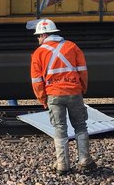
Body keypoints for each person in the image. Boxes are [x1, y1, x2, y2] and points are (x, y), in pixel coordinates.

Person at [30, 19, 97, 175]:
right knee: (80, 126)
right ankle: (85, 160)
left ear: (45, 34)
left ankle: (62, 165)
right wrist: (82, 89)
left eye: (39, 36)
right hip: (74, 92)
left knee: (60, 129)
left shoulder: (38, 53)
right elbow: (83, 71)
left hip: (54, 95)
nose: (38, 39)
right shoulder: (72, 47)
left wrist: (42, 99)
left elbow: (36, 81)